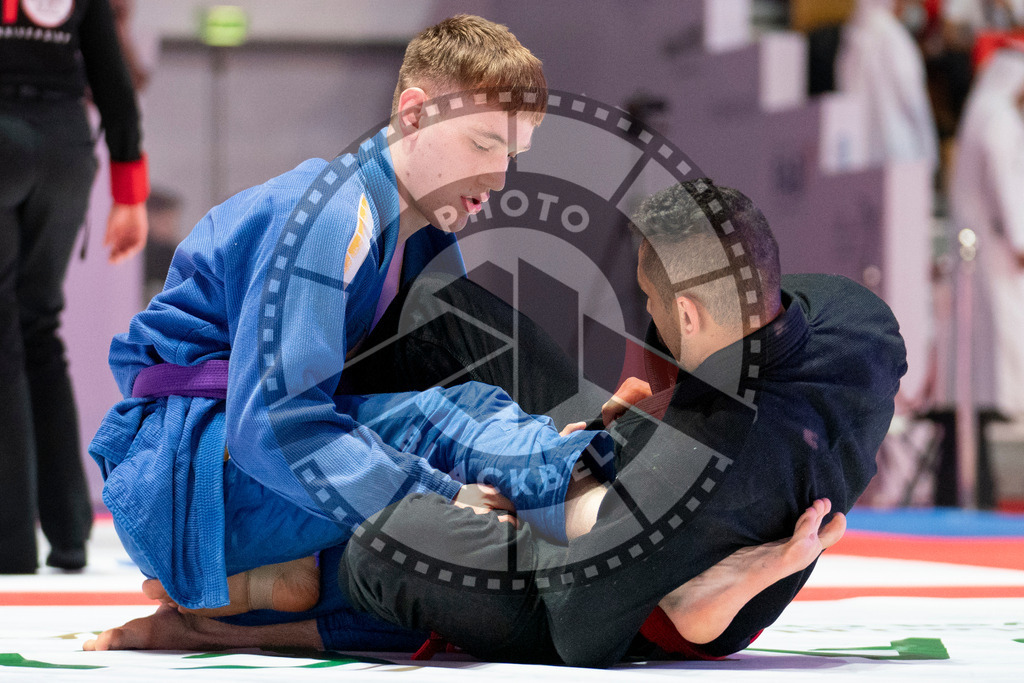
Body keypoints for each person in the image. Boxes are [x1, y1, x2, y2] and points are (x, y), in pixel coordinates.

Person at [85, 180, 906, 667]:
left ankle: (240, 610)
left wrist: (516, 497)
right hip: (627, 491)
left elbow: (581, 617)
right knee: (455, 316)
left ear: (691, 310)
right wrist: (634, 418)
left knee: (387, 543)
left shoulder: (715, 464)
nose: (648, 324)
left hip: (589, 578)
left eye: (657, 310)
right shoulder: (853, 326)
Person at [87, 13, 615, 625]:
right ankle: (608, 512)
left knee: (455, 578)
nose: (498, 179)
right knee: (451, 425)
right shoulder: (328, 215)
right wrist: (447, 500)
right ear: (414, 114)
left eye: (513, 155)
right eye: (483, 144)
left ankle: (279, 592)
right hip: (189, 481)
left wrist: (549, 442)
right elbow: (278, 427)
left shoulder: (419, 239)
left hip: (234, 485)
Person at [0, 0, 149, 573]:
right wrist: (130, 193)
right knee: (39, 324)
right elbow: (113, 77)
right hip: (65, 149)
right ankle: (68, 533)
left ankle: (9, 542)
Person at [948, 44, 1024, 417]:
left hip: (977, 242)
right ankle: (1006, 406)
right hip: (995, 245)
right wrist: (1020, 239)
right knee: (1006, 327)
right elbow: (1006, 184)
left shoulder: (979, 110)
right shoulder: (1000, 116)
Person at [835, 0, 939, 168]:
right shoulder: (894, 37)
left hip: (859, 151)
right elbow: (913, 98)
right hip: (899, 148)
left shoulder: (852, 34)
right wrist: (929, 149)